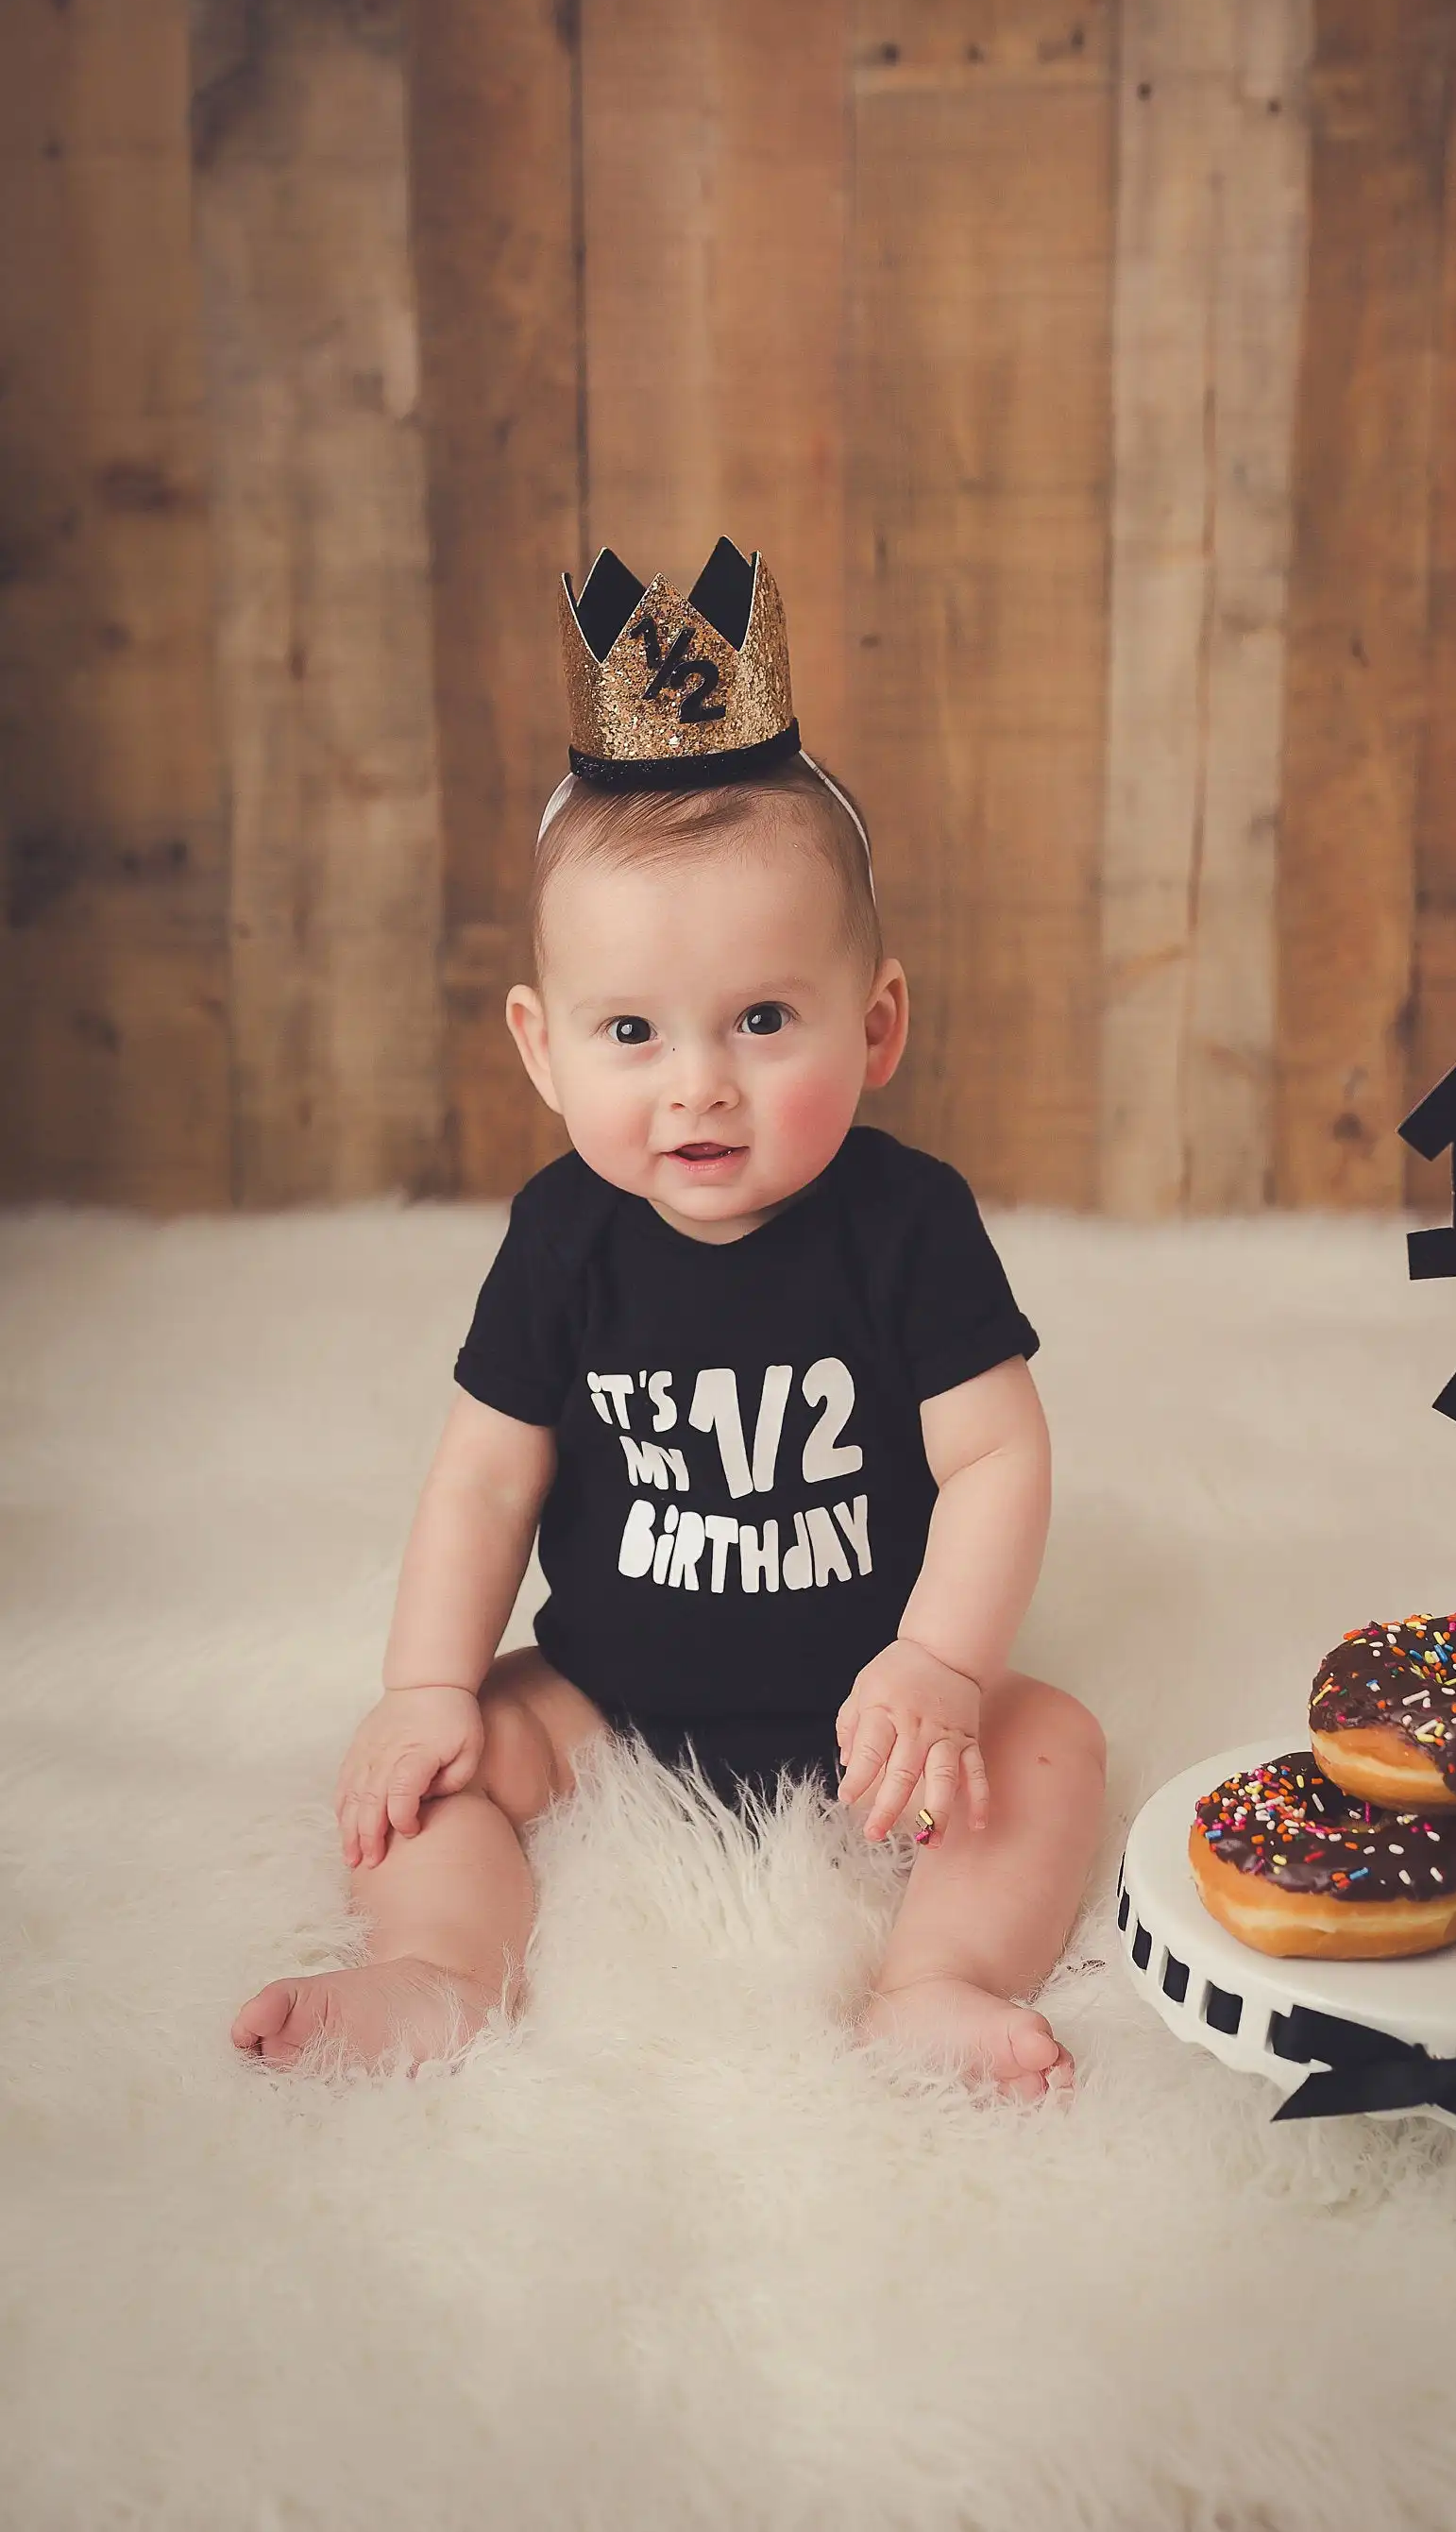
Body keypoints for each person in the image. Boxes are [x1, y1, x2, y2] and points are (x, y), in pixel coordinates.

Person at [231, 537, 1107, 2099]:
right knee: (440, 1773)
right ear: (542, 1048)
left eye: (763, 1020)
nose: (698, 1083)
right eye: (630, 1030)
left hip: (871, 1709)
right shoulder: (562, 1239)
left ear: (877, 1024)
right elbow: (484, 1481)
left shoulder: (908, 1225)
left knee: (1049, 1749)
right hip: (609, 1702)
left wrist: (941, 1663)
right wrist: (427, 1684)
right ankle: (441, 1970)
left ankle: (937, 1981)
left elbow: (996, 1458)